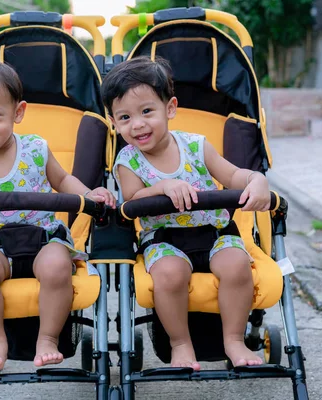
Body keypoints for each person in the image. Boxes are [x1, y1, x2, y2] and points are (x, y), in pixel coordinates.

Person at [103, 56, 270, 370]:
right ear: (113, 122)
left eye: (146, 111)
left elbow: (233, 176)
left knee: (236, 266)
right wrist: (162, 186)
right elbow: (131, 199)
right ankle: (180, 344)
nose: (136, 124)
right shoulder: (128, 161)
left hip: (215, 233)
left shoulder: (196, 146)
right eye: (124, 117)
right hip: (165, 240)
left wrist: (256, 179)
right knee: (169, 274)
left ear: (170, 108)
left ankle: (234, 340)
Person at [0, 60, 116, 372]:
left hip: (43, 236)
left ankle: (48, 339)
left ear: (18, 112)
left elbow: (63, 182)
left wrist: (88, 193)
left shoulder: (35, 150)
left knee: (56, 266)